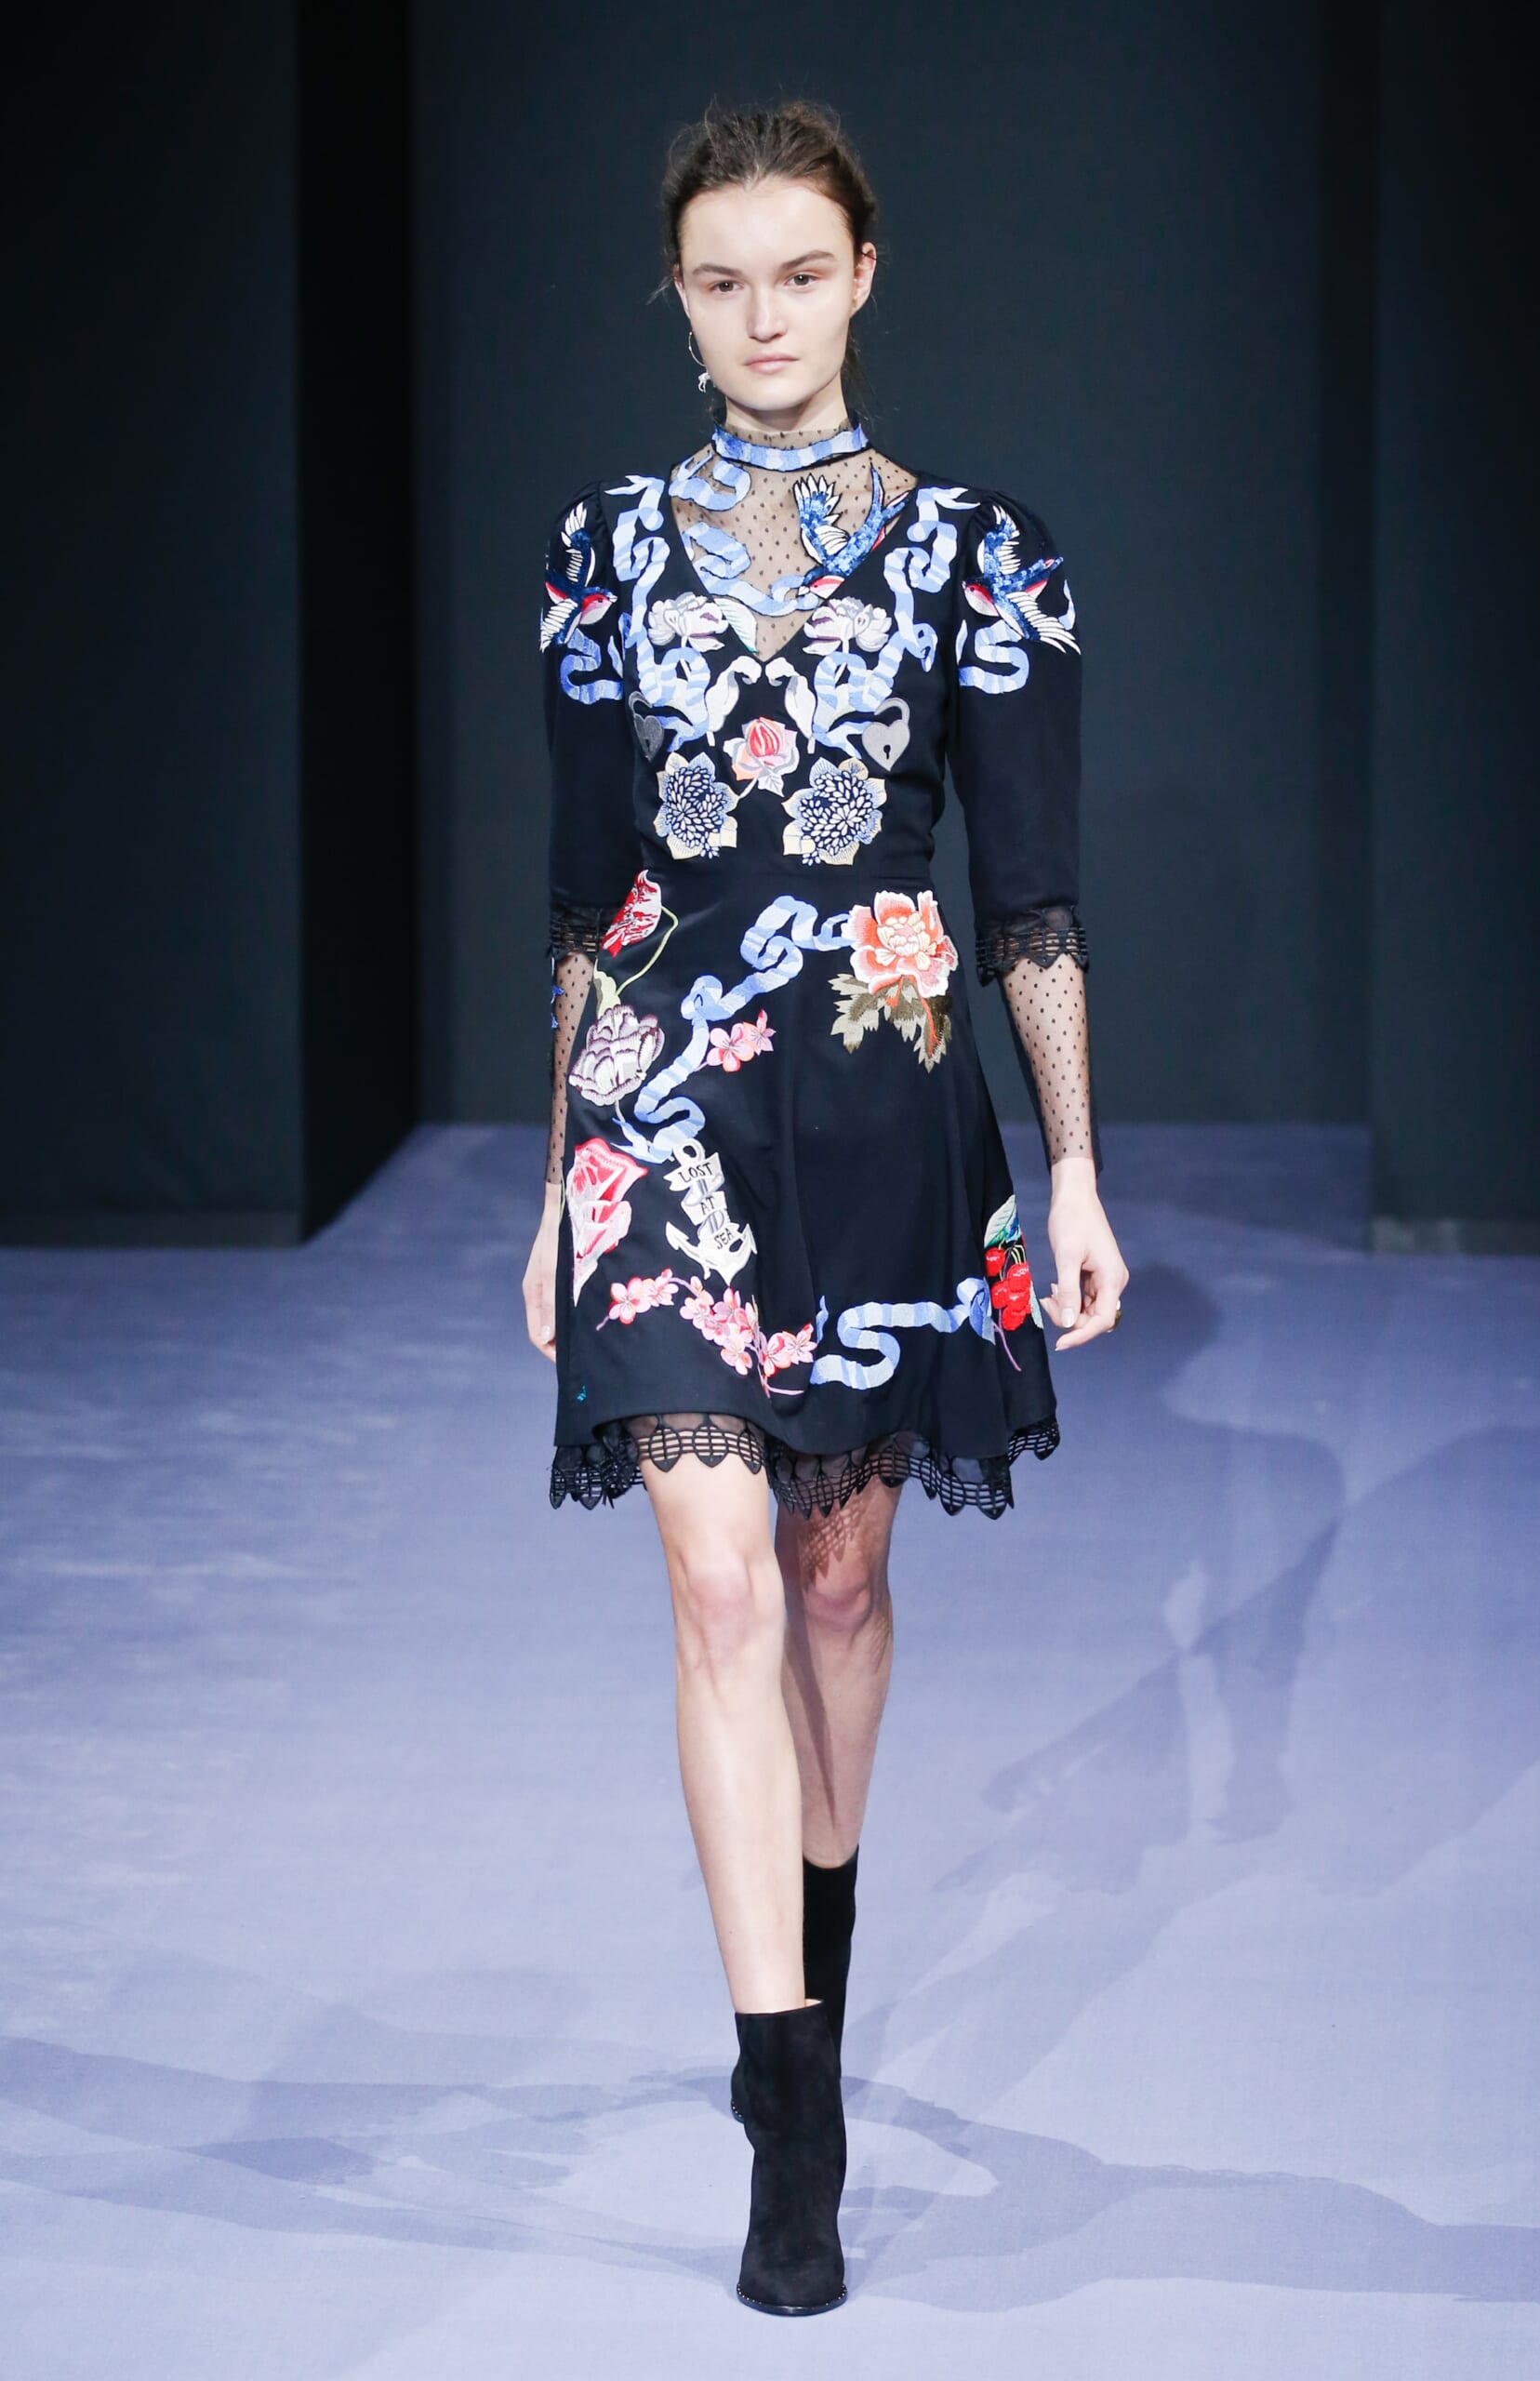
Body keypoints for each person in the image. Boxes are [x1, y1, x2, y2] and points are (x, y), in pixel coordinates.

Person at [522, 99, 1128, 2316]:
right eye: (719, 281)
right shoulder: (602, 551)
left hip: (885, 1112)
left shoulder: (981, 552)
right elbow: (587, 898)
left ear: (863, 274)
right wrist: (550, 1182)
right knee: (715, 1585)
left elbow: (1028, 897)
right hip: (662, 1114)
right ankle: (793, 2116)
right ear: (675, 301)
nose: (760, 317)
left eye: (796, 273)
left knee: (837, 1581)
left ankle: (816, 1968)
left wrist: (1072, 1164)